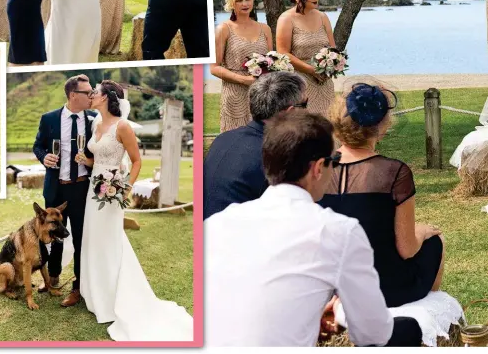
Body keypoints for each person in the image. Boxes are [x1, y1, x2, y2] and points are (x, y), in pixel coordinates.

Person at [205, 109, 423, 347]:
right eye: (335, 161)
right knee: (409, 329)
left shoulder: (216, 224)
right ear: (319, 168)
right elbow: (373, 334)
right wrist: (336, 311)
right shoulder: (337, 230)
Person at [73, 80, 193, 341]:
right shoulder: (95, 124)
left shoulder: (122, 126)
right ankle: (95, 295)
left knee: (110, 241)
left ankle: (115, 298)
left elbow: (137, 161)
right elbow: (99, 159)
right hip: (94, 190)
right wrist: (86, 159)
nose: (91, 96)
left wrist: (124, 188)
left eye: (95, 93)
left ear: (106, 98)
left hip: (112, 192)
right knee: (93, 240)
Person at [319, 82, 445, 307]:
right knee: (436, 239)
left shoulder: (317, 169)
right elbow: (407, 250)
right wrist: (423, 232)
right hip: (384, 289)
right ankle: (432, 305)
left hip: (332, 285)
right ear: (382, 125)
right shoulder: (394, 172)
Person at [203, 71, 307, 220]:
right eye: (304, 104)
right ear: (290, 112)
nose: (308, 111)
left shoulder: (223, 139)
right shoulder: (280, 156)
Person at [32, 75, 96, 303]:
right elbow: (37, 146)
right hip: (55, 190)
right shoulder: (49, 119)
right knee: (53, 236)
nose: (91, 96)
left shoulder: (94, 119)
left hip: (80, 190)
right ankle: (53, 277)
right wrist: (44, 157)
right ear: (73, 95)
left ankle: (78, 286)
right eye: (87, 92)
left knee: (80, 238)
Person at [210, 0, 272, 132]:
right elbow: (214, 68)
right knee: (234, 139)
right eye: (239, 0)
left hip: (261, 94)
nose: (245, 4)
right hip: (234, 95)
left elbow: (272, 63)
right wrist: (244, 80)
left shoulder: (265, 29)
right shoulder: (223, 29)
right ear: (231, 3)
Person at [276, 0, 335, 117]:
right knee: (304, 127)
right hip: (300, 83)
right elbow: (282, 53)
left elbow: (333, 49)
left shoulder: (323, 17)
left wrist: (329, 68)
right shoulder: (286, 19)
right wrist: (312, 70)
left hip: (324, 82)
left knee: (328, 126)